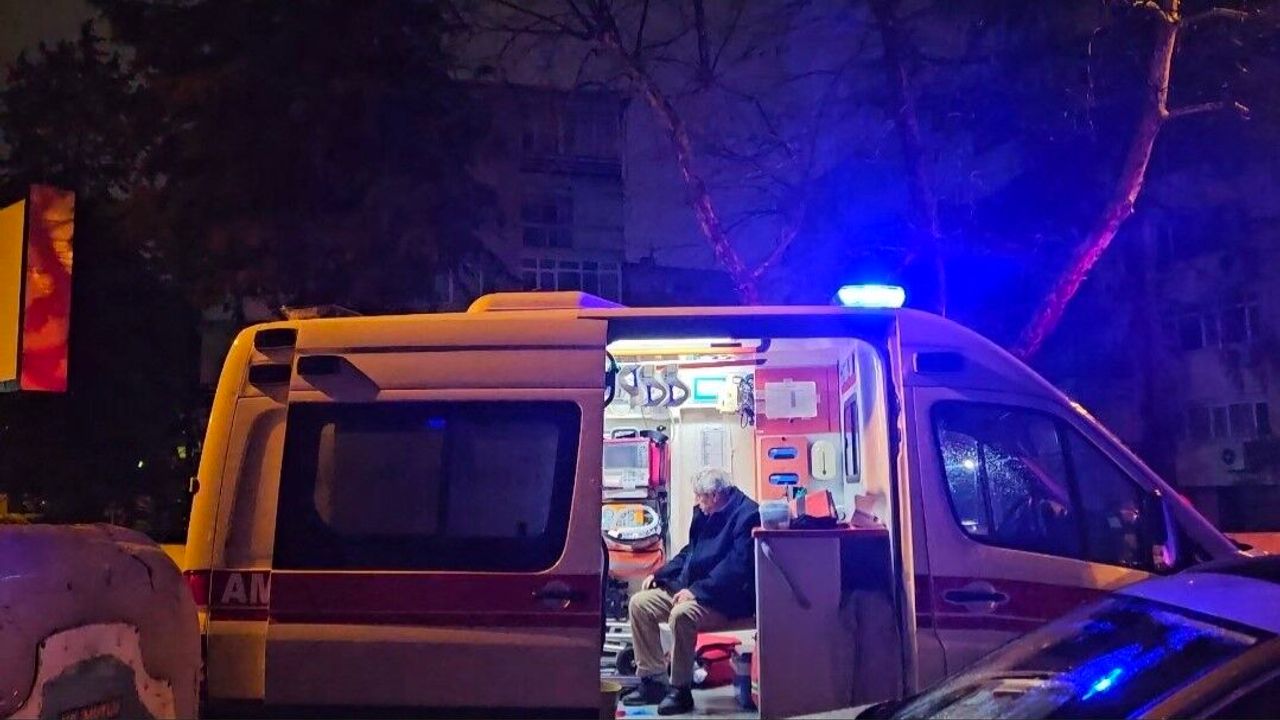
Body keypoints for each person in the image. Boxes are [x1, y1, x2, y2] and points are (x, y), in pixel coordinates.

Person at [621, 467, 760, 715]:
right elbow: (691, 552)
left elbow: (737, 567)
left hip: (725, 599)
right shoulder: (707, 512)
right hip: (695, 589)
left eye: (700, 496)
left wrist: (696, 591)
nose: (697, 501)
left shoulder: (748, 514)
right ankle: (653, 681)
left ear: (715, 495)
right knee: (640, 604)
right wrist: (661, 574)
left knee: (681, 614)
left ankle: (680, 690)